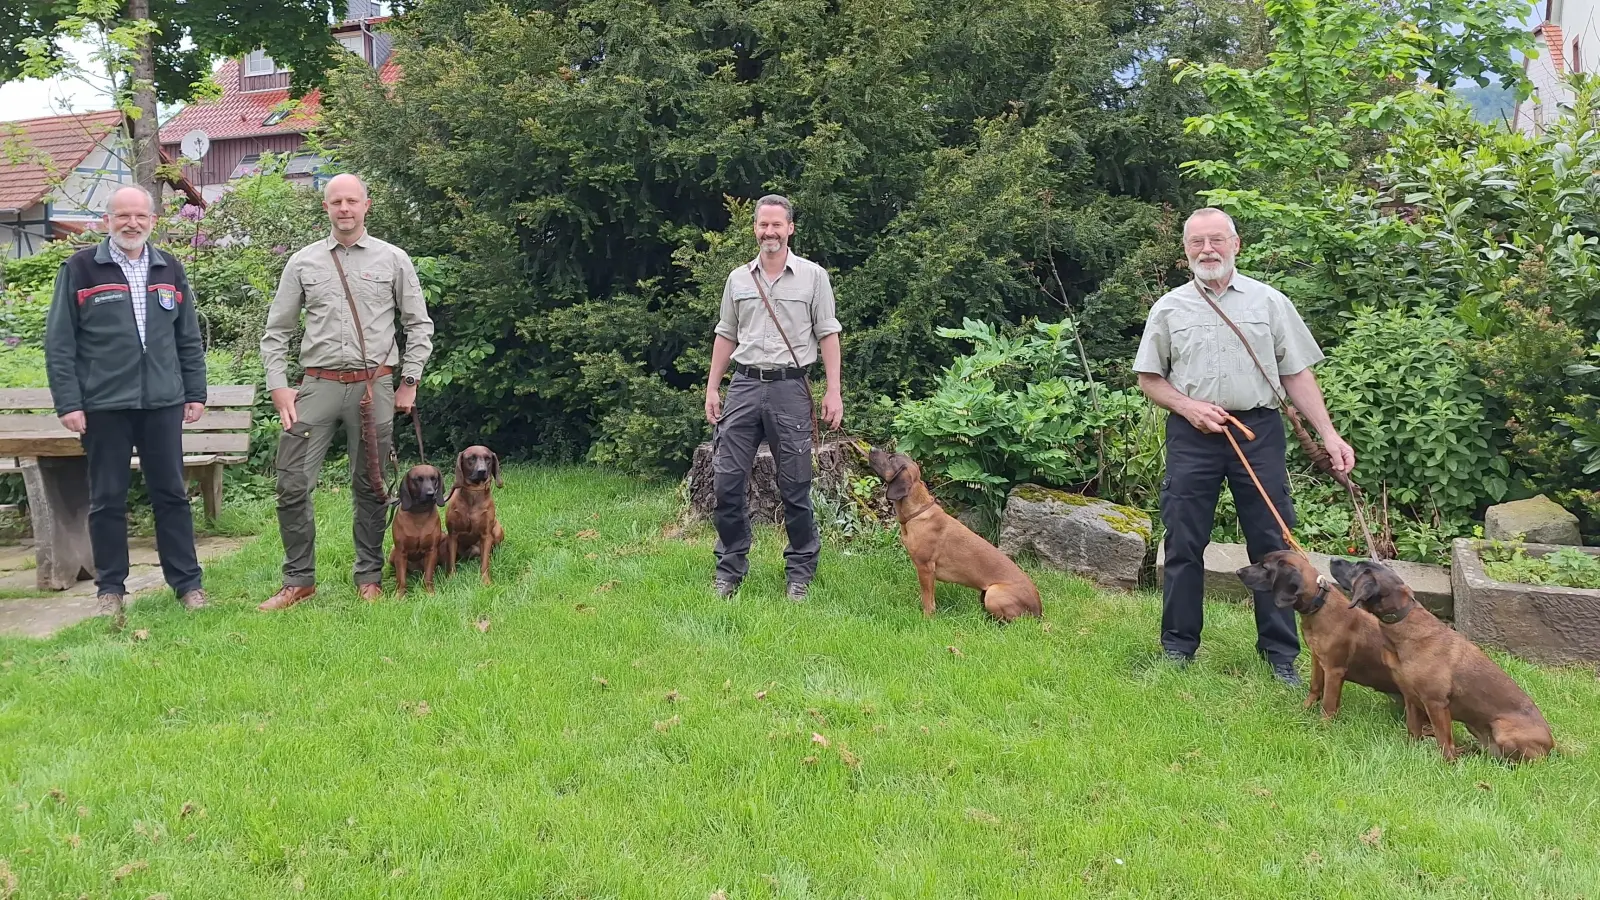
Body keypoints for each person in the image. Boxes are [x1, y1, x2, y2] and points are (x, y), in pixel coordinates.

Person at [1133, 207, 1355, 685]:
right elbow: (1149, 378)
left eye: (1216, 240)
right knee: (1184, 542)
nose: (1207, 250)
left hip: (1259, 433)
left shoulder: (1269, 302)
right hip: (1193, 436)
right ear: (1185, 250)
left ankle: (1280, 654)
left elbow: (1296, 373)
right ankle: (1178, 646)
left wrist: (1329, 434)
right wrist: (1189, 408)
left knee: (1272, 544)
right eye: (1197, 242)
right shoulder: (1170, 308)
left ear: (1237, 244)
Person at [257, 173, 434, 610]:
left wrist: (408, 381)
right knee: (292, 482)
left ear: (366, 206)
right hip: (316, 386)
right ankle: (298, 579)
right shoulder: (303, 262)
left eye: (352, 201)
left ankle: (370, 575)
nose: (344, 209)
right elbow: (276, 331)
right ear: (326, 208)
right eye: (336, 201)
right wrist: (279, 386)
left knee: (371, 485)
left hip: (375, 386)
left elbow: (418, 325)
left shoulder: (393, 259)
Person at [44, 184, 209, 628]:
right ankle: (111, 590)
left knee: (171, 496)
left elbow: (187, 337)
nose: (132, 223)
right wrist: (69, 402)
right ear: (107, 221)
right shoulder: (80, 269)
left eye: (141, 216)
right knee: (107, 500)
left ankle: (188, 584)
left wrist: (195, 392)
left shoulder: (169, 268)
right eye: (123, 216)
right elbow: (59, 344)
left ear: (152, 220)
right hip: (103, 406)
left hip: (162, 403)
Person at [703, 194, 844, 601]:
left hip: (790, 389)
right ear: (754, 229)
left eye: (777, 225)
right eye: (763, 225)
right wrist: (714, 387)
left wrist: (832, 391)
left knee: (795, 485)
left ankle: (800, 571)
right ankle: (729, 569)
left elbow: (828, 334)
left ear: (790, 229)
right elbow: (726, 333)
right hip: (744, 386)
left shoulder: (814, 277)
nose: (770, 232)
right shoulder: (737, 279)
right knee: (728, 483)